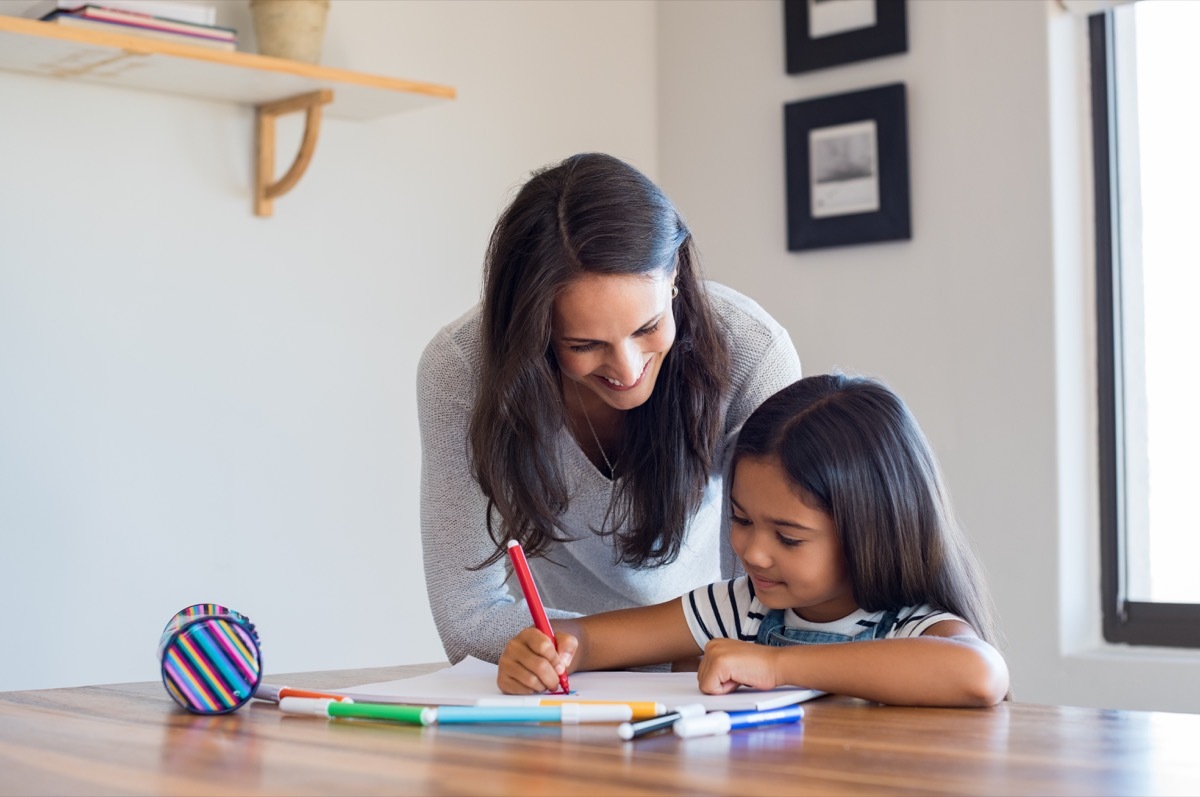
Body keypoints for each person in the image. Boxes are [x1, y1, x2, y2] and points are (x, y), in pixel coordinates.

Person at [418, 153, 802, 665]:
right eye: (583, 345)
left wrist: (600, 645)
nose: (626, 369)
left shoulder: (753, 353)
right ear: (533, 332)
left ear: (675, 278)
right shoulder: (461, 370)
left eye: (647, 328)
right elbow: (466, 615)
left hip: (710, 667)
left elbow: (772, 590)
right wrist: (551, 653)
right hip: (563, 679)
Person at [497, 374, 1010, 707]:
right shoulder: (739, 608)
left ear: (871, 530)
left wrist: (777, 665)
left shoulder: (909, 626)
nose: (753, 553)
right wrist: (555, 651)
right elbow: (595, 639)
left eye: (789, 538)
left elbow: (980, 673)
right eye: (740, 519)